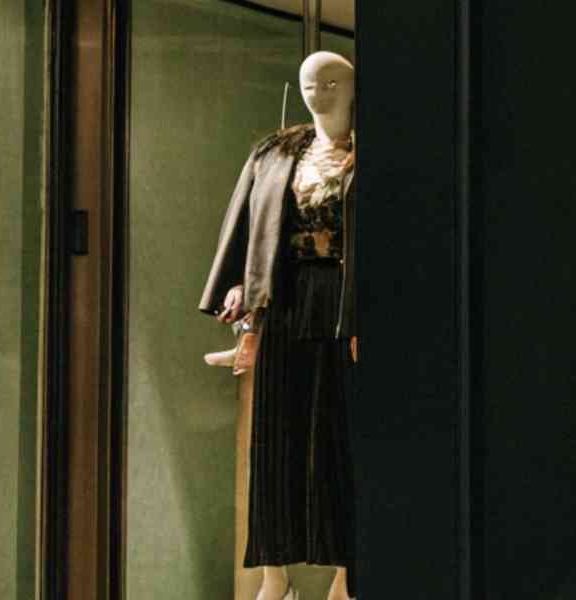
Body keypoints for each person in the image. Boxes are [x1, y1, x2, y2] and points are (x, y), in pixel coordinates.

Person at [199, 51, 359, 600]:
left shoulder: (370, 152)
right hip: (286, 297)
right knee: (275, 436)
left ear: (352, 86)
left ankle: (347, 573)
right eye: (309, 83)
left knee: (339, 433)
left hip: (343, 298)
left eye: (331, 82)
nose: (318, 92)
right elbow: (250, 225)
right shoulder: (276, 153)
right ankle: (274, 574)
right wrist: (241, 289)